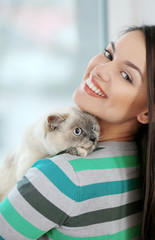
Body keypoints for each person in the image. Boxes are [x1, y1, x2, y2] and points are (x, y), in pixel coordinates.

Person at [0, 25, 154, 240]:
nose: (100, 69)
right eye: (108, 54)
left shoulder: (61, 176)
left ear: (147, 112)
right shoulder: (143, 169)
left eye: (126, 75)